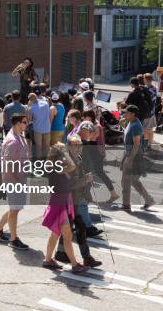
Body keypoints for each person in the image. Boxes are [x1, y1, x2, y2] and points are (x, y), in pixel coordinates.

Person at [53, 136, 102, 268]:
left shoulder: (78, 160)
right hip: (66, 202)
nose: (79, 147)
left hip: (74, 201)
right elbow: (68, 185)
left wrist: (87, 193)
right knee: (77, 228)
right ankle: (85, 257)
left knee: (68, 229)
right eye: (75, 145)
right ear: (68, 146)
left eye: (80, 145)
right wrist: (84, 180)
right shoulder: (65, 162)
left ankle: (61, 253)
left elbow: (81, 180)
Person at [41, 142, 90, 274]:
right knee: (67, 236)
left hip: (61, 202)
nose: (67, 151)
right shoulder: (54, 166)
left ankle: (47, 260)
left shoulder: (57, 165)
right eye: (64, 150)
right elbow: (72, 165)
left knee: (56, 234)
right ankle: (74, 265)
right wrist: (65, 153)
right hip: (59, 204)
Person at [0, 114, 30, 250]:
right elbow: (7, 164)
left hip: (20, 179)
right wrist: (16, 181)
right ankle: (13, 239)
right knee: (14, 209)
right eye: (24, 122)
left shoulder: (20, 136)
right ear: (17, 123)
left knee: (15, 208)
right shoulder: (13, 140)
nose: (27, 124)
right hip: (14, 180)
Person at [119, 105, 155, 211]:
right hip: (130, 154)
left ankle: (126, 204)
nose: (124, 114)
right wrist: (124, 126)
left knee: (127, 180)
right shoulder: (132, 122)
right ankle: (148, 199)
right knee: (133, 180)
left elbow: (136, 144)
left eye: (126, 113)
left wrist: (129, 160)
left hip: (133, 156)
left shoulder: (135, 125)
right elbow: (130, 135)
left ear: (133, 114)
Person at [81, 110, 119, 204]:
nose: (84, 119)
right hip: (93, 151)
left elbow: (91, 138)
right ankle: (112, 194)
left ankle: (112, 194)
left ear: (90, 117)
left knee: (95, 172)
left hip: (95, 152)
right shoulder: (94, 124)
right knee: (95, 172)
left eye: (85, 117)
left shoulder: (96, 126)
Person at [28, 91, 51, 160]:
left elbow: (29, 119)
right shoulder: (46, 103)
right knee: (46, 146)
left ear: (30, 100)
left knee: (38, 147)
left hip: (37, 129)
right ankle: (46, 160)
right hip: (47, 127)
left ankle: (39, 161)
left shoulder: (31, 108)